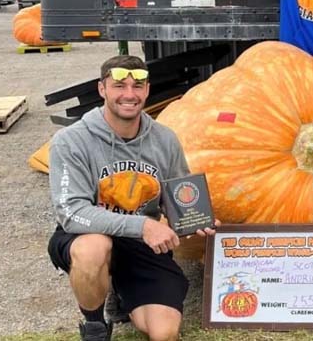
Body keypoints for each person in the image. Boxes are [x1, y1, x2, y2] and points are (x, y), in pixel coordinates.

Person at [47, 55, 217, 341]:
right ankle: (95, 327)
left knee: (164, 333)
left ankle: (122, 292)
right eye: (119, 86)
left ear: (147, 90)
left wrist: (193, 218)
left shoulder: (165, 139)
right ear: (102, 89)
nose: (129, 94)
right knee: (94, 248)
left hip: (141, 245)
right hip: (87, 233)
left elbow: (177, 196)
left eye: (137, 86)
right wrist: (144, 226)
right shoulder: (71, 141)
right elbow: (70, 211)